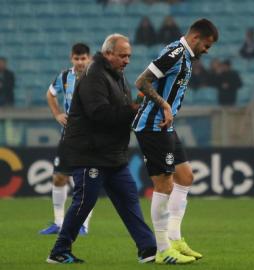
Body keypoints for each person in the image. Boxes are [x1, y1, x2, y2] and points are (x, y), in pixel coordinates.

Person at [46, 34, 156, 264]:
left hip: (113, 154)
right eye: (122, 55)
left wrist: (136, 106)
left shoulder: (116, 75)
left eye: (129, 56)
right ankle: (59, 250)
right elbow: (100, 114)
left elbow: (122, 109)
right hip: (90, 153)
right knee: (84, 201)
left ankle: (148, 250)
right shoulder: (94, 75)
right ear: (108, 54)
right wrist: (134, 109)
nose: (127, 60)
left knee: (129, 201)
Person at [133, 18, 218, 264]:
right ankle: (162, 250)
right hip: (152, 126)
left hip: (165, 125)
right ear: (195, 38)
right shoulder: (175, 53)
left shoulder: (185, 56)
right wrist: (164, 105)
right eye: (207, 45)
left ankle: (174, 237)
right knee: (164, 185)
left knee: (186, 177)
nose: (207, 50)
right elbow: (141, 81)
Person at [40, 43, 93, 235]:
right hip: (69, 136)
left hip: (90, 138)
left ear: (90, 58)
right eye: (76, 59)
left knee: (85, 182)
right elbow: (50, 94)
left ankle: (84, 224)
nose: (80, 62)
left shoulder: (96, 76)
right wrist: (57, 114)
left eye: (83, 58)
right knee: (59, 177)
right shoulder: (64, 76)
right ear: (72, 58)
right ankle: (58, 222)